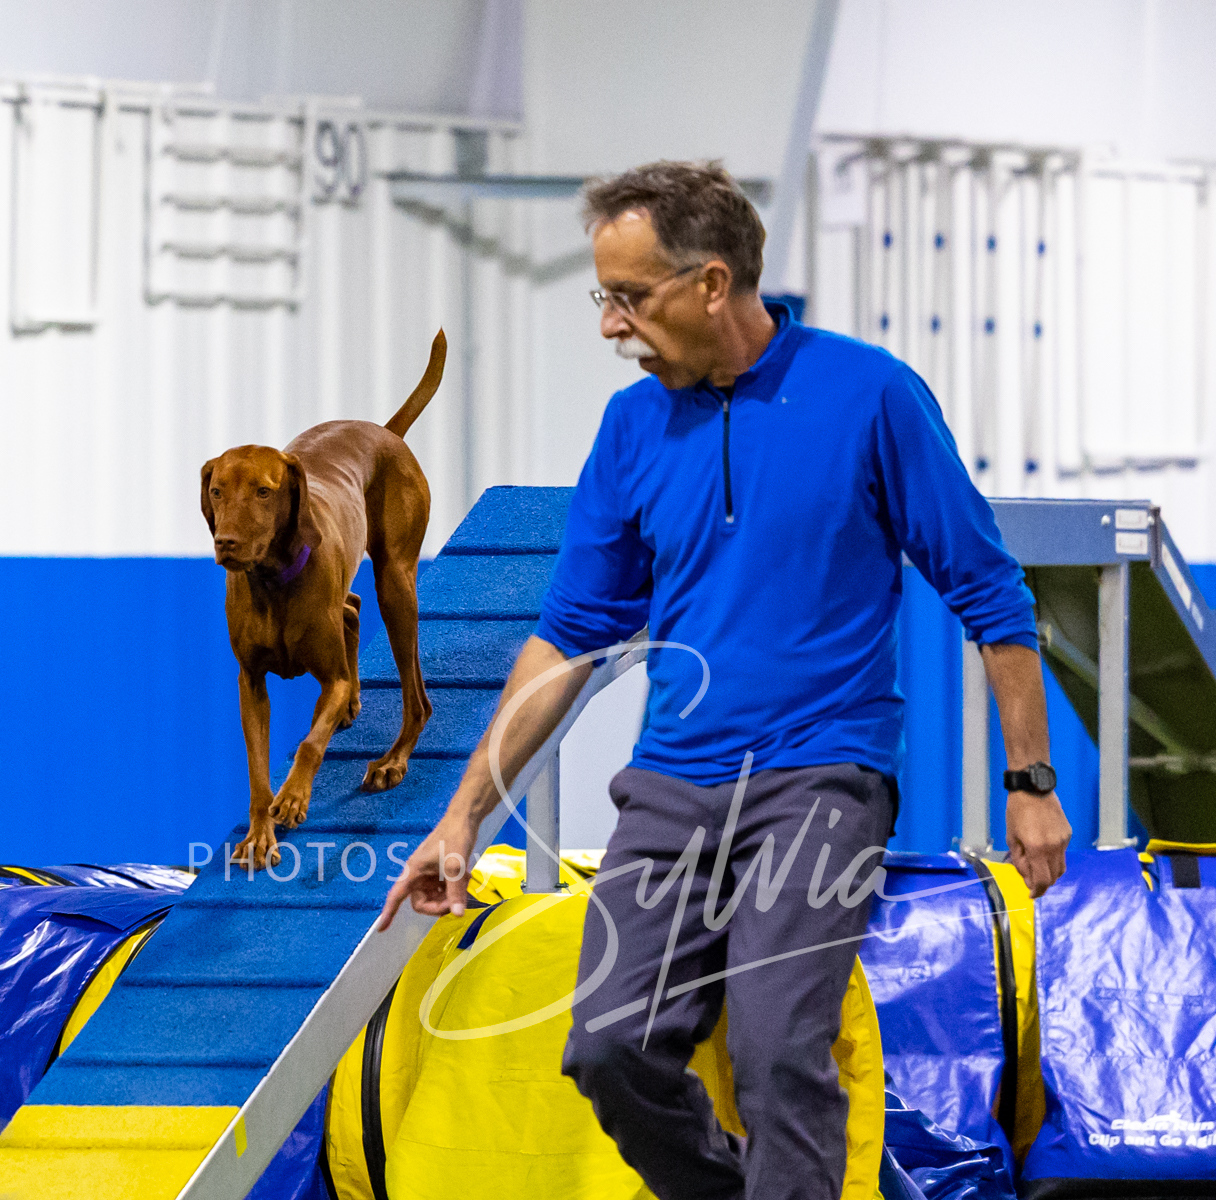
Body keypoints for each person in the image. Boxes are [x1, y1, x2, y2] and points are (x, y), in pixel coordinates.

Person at [378, 160, 1072, 1200]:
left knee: (779, 1047)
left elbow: (988, 592)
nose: (609, 324)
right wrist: (464, 816)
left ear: (710, 283)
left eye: (629, 296)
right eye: (603, 295)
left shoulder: (869, 396)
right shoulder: (631, 427)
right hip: (671, 785)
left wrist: (1030, 783)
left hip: (819, 778)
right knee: (607, 1050)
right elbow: (567, 638)